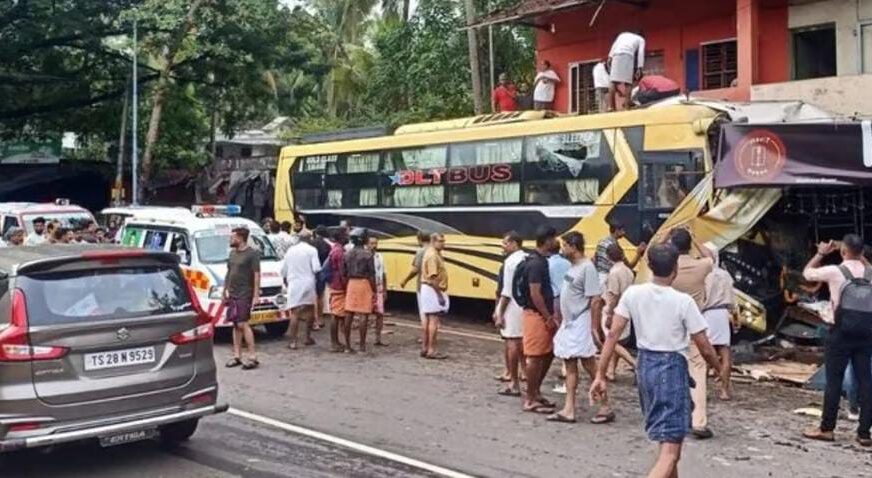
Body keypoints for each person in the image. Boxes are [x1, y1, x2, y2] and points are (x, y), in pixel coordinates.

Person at [591, 243, 726, 478]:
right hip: (671, 367)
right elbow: (704, 346)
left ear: (650, 267)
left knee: (666, 442)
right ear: (675, 269)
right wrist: (719, 369)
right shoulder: (683, 302)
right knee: (671, 452)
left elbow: (612, 335)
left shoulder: (633, 294)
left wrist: (600, 374)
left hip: (645, 366)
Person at [802, 234, 872, 447]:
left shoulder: (835, 271)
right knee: (866, 381)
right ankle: (864, 433)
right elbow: (864, 263)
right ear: (862, 253)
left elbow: (807, 274)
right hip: (866, 332)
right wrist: (862, 258)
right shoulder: (870, 272)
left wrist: (821, 253)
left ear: (843, 251)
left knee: (834, 380)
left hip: (840, 332)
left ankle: (827, 428)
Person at [548, 231, 615, 424]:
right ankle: (569, 408)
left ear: (573, 246)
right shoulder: (573, 267)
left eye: (564, 245)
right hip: (570, 323)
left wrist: (594, 328)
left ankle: (605, 405)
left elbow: (595, 299)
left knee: (589, 365)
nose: (562, 249)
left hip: (581, 322)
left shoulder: (587, 268)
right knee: (570, 365)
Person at [668, 227, 716, 439]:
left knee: (670, 371)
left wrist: (665, 237)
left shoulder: (668, 268)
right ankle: (698, 421)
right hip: (694, 324)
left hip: (670, 326)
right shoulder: (702, 266)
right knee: (697, 370)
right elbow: (711, 256)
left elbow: (653, 251)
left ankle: (672, 418)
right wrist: (696, 238)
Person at [521, 226, 559, 414]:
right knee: (535, 357)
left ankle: (535, 392)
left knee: (547, 353)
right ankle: (530, 398)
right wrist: (547, 316)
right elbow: (535, 294)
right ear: (547, 241)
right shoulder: (536, 264)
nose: (556, 241)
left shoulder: (539, 261)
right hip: (536, 315)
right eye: (553, 238)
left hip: (539, 314)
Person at [493, 231, 527, 397]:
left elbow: (506, 292)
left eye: (505, 243)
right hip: (525, 306)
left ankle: (514, 382)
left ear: (514, 243)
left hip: (512, 307)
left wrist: (499, 312)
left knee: (512, 342)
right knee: (522, 342)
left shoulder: (510, 262)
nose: (503, 246)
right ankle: (525, 372)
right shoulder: (527, 257)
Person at [223, 227, 260, 370]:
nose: (230, 240)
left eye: (233, 237)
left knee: (243, 323)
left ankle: (252, 356)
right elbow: (229, 272)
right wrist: (224, 290)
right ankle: (237, 355)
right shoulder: (232, 254)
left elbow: (256, 274)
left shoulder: (252, 254)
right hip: (232, 293)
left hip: (245, 293)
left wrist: (256, 295)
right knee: (235, 323)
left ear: (240, 238)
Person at [702, 243, 735, 401]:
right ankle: (724, 390)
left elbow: (702, 298)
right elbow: (733, 299)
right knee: (725, 353)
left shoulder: (704, 275)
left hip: (708, 314)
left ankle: (703, 390)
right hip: (723, 313)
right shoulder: (726, 275)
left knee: (706, 353)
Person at [600, 243, 638, 381]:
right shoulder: (628, 271)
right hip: (626, 309)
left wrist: (609, 314)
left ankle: (635, 364)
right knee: (618, 341)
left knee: (611, 341)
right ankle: (611, 371)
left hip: (615, 310)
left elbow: (614, 295)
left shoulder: (614, 273)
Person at [281, 230, 321, 350]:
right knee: (309, 309)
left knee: (295, 312)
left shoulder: (290, 250)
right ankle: (307, 337)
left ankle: (293, 342)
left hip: (294, 282)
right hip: (308, 282)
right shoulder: (312, 250)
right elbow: (316, 268)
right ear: (309, 238)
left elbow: (284, 270)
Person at [343, 228, 376, 353]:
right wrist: (374, 290)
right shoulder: (368, 254)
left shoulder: (347, 254)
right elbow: (372, 274)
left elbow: (343, 272)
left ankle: (347, 345)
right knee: (363, 315)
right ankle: (362, 346)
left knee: (349, 314)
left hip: (351, 283)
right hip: (364, 283)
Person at [400, 231, 432, 355]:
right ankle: (430, 338)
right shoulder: (434, 250)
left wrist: (405, 280)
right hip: (433, 287)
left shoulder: (421, 251)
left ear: (419, 239)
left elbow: (415, 269)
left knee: (424, 315)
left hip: (423, 287)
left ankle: (425, 341)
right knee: (432, 316)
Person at [420, 233, 449, 359]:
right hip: (432, 289)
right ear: (433, 241)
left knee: (427, 319)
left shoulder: (433, 253)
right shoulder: (432, 255)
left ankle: (425, 348)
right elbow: (433, 278)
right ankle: (431, 349)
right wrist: (439, 296)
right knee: (433, 320)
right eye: (440, 241)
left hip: (428, 289)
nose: (443, 244)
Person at [548, 239, 572, 395]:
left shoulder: (548, 264)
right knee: (565, 328)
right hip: (568, 298)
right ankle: (565, 366)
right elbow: (570, 280)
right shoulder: (568, 264)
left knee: (556, 331)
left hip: (555, 299)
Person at [607, 31, 646, 111]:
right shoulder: (641, 39)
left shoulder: (623, 34)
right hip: (628, 55)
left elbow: (614, 45)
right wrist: (640, 67)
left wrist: (610, 57)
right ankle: (627, 107)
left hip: (616, 55)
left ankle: (611, 107)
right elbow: (640, 53)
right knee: (628, 82)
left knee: (613, 81)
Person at [327, 229, 350, 353]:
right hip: (339, 286)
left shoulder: (334, 250)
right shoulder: (339, 252)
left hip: (334, 284)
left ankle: (335, 342)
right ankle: (334, 343)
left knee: (336, 314)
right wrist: (346, 285)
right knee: (336, 315)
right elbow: (342, 272)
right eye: (345, 235)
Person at [368, 236, 389, 347]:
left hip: (378, 287)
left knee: (380, 313)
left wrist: (385, 289)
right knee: (365, 313)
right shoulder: (365, 257)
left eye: (375, 243)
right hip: (367, 288)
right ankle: (363, 337)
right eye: (371, 243)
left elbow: (384, 273)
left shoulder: (379, 256)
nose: (374, 246)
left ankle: (378, 338)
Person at [313, 225, 333, 330]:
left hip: (312, 272)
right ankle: (320, 318)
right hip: (322, 272)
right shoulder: (327, 245)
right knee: (320, 296)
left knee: (313, 297)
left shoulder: (311, 244)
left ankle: (314, 320)